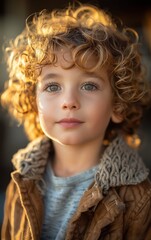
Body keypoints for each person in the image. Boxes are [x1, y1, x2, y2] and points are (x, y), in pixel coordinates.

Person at [1, 3, 151, 240]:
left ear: (117, 106)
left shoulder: (140, 200)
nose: (69, 101)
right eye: (52, 86)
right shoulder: (20, 181)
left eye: (89, 85)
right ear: (33, 100)